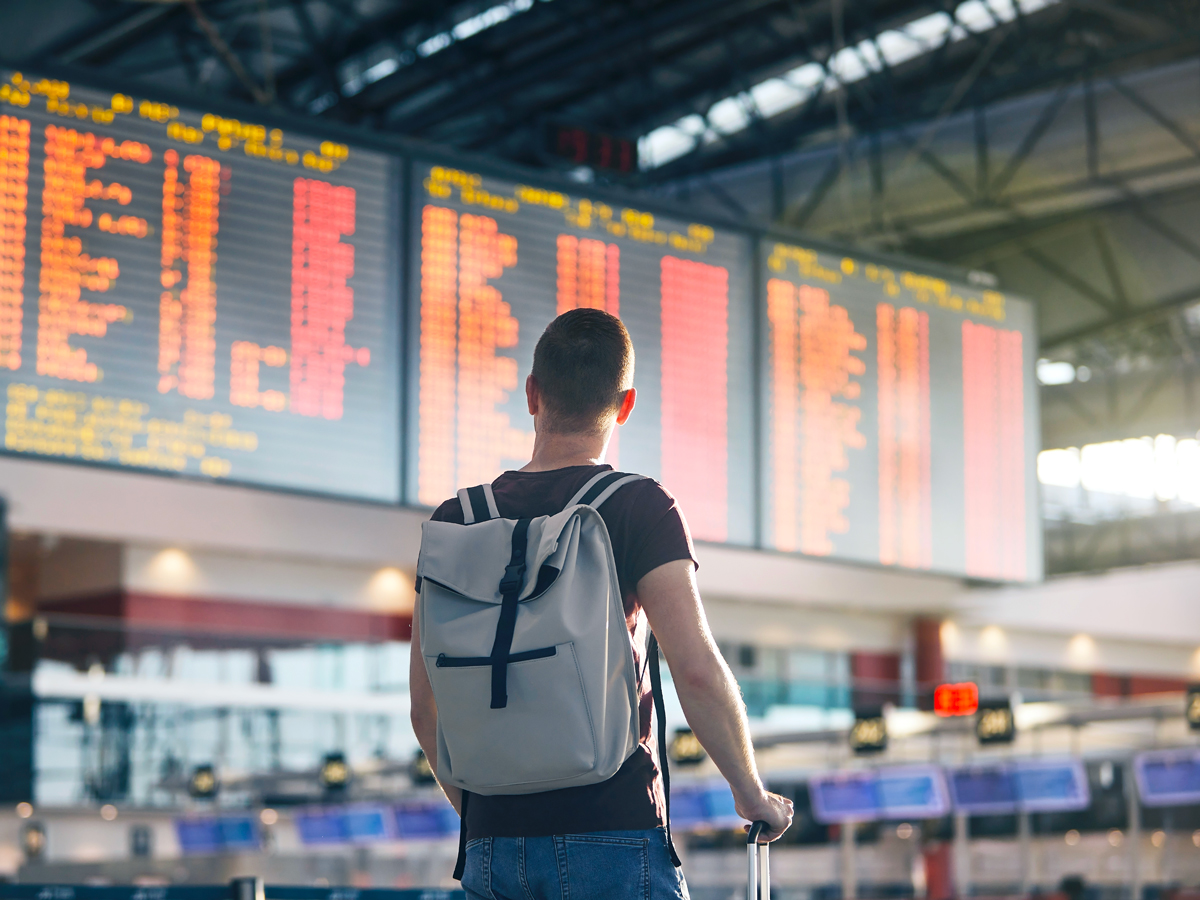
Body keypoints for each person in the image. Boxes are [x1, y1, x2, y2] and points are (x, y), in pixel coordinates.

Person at [410, 308, 793, 900]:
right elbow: (695, 668)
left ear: (532, 392)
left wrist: (488, 818)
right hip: (612, 828)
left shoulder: (453, 521)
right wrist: (751, 793)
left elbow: (425, 709)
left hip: (490, 844)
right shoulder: (638, 506)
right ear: (626, 403)